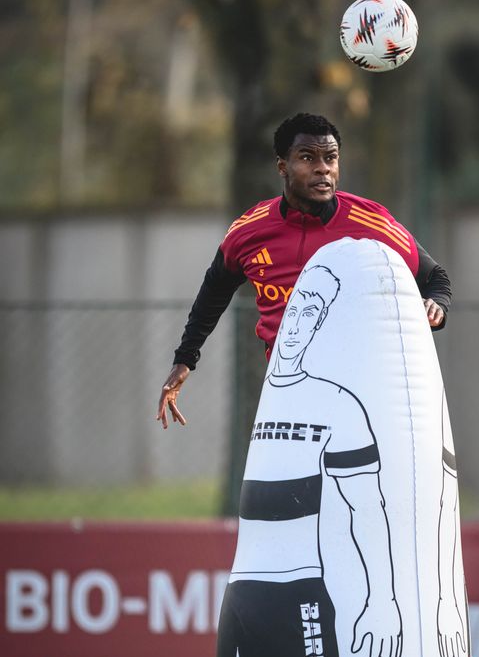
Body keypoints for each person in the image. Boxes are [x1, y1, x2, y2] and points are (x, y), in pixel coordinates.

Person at [218, 260, 402, 657]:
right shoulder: (268, 397)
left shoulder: (337, 404)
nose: (299, 323)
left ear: (325, 326)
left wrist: (381, 598)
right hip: (241, 596)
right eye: (294, 310)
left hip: (295, 594)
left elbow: (369, 507)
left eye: (313, 313)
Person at [156, 111, 452, 428]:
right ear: (283, 166)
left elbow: (435, 277)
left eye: (331, 158)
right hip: (285, 392)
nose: (322, 168)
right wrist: (185, 359)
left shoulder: (370, 223)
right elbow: (214, 290)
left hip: (362, 392)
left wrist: (437, 305)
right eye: (308, 158)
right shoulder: (249, 231)